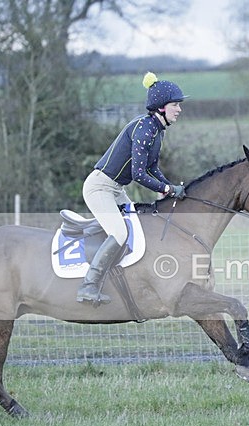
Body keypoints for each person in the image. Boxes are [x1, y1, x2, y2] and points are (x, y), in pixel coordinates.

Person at [77, 72, 188, 304]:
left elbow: (153, 167)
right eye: (175, 104)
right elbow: (138, 174)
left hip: (116, 189)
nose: (179, 109)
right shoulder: (145, 129)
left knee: (138, 229)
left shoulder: (156, 131)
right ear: (160, 108)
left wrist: (166, 186)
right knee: (120, 234)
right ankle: (89, 286)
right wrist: (166, 190)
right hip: (100, 188)